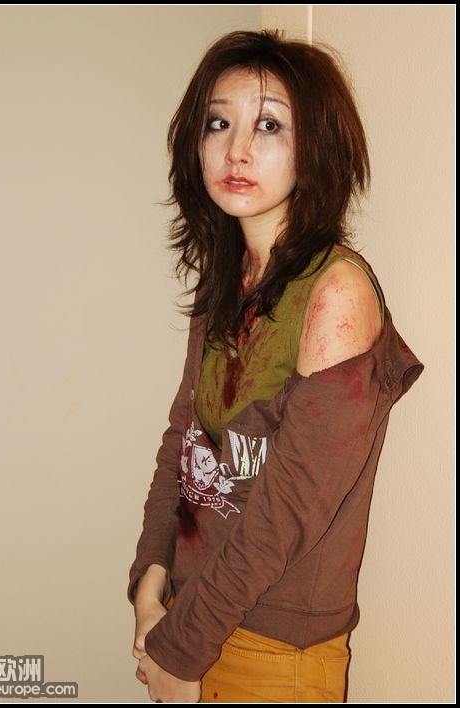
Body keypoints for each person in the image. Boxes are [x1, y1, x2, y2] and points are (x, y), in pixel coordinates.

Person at [127, 29, 424, 703]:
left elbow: (289, 509)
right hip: (188, 612)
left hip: (273, 645)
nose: (236, 149)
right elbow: (183, 439)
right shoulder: (225, 281)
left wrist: (181, 647)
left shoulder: (335, 293)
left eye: (268, 125)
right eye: (218, 123)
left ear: (313, 147)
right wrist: (150, 576)